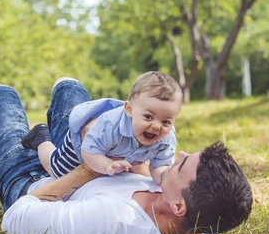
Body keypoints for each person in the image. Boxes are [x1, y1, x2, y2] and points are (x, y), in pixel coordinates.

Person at [0, 78, 253, 234]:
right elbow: (230, 206)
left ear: (177, 206)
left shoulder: (114, 226)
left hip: (37, 183)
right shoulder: (206, 217)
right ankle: (60, 136)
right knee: (70, 88)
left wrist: (89, 170)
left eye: (181, 167)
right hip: (85, 158)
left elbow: (15, 218)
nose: (177, 156)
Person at [23, 72, 181, 185]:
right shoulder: (109, 126)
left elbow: (159, 166)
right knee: (57, 171)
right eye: (148, 117)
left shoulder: (166, 139)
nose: (156, 126)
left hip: (118, 150)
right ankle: (40, 139)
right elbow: (89, 152)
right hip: (86, 144)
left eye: (166, 121)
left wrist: (166, 177)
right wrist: (106, 165)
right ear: (129, 109)